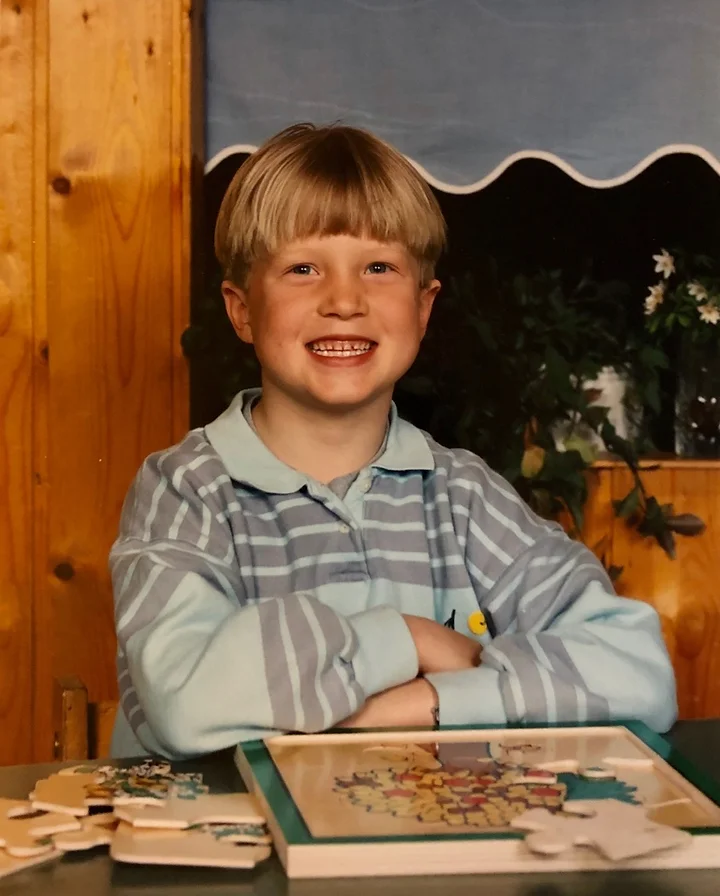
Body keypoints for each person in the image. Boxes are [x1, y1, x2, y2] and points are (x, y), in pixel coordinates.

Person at [109, 123, 677, 759]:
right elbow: (185, 702)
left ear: (423, 307)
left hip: (423, 823)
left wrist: (431, 702)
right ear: (241, 309)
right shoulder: (186, 491)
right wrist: (410, 639)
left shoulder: (463, 497)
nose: (344, 300)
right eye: (302, 268)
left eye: (379, 267)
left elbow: (638, 671)